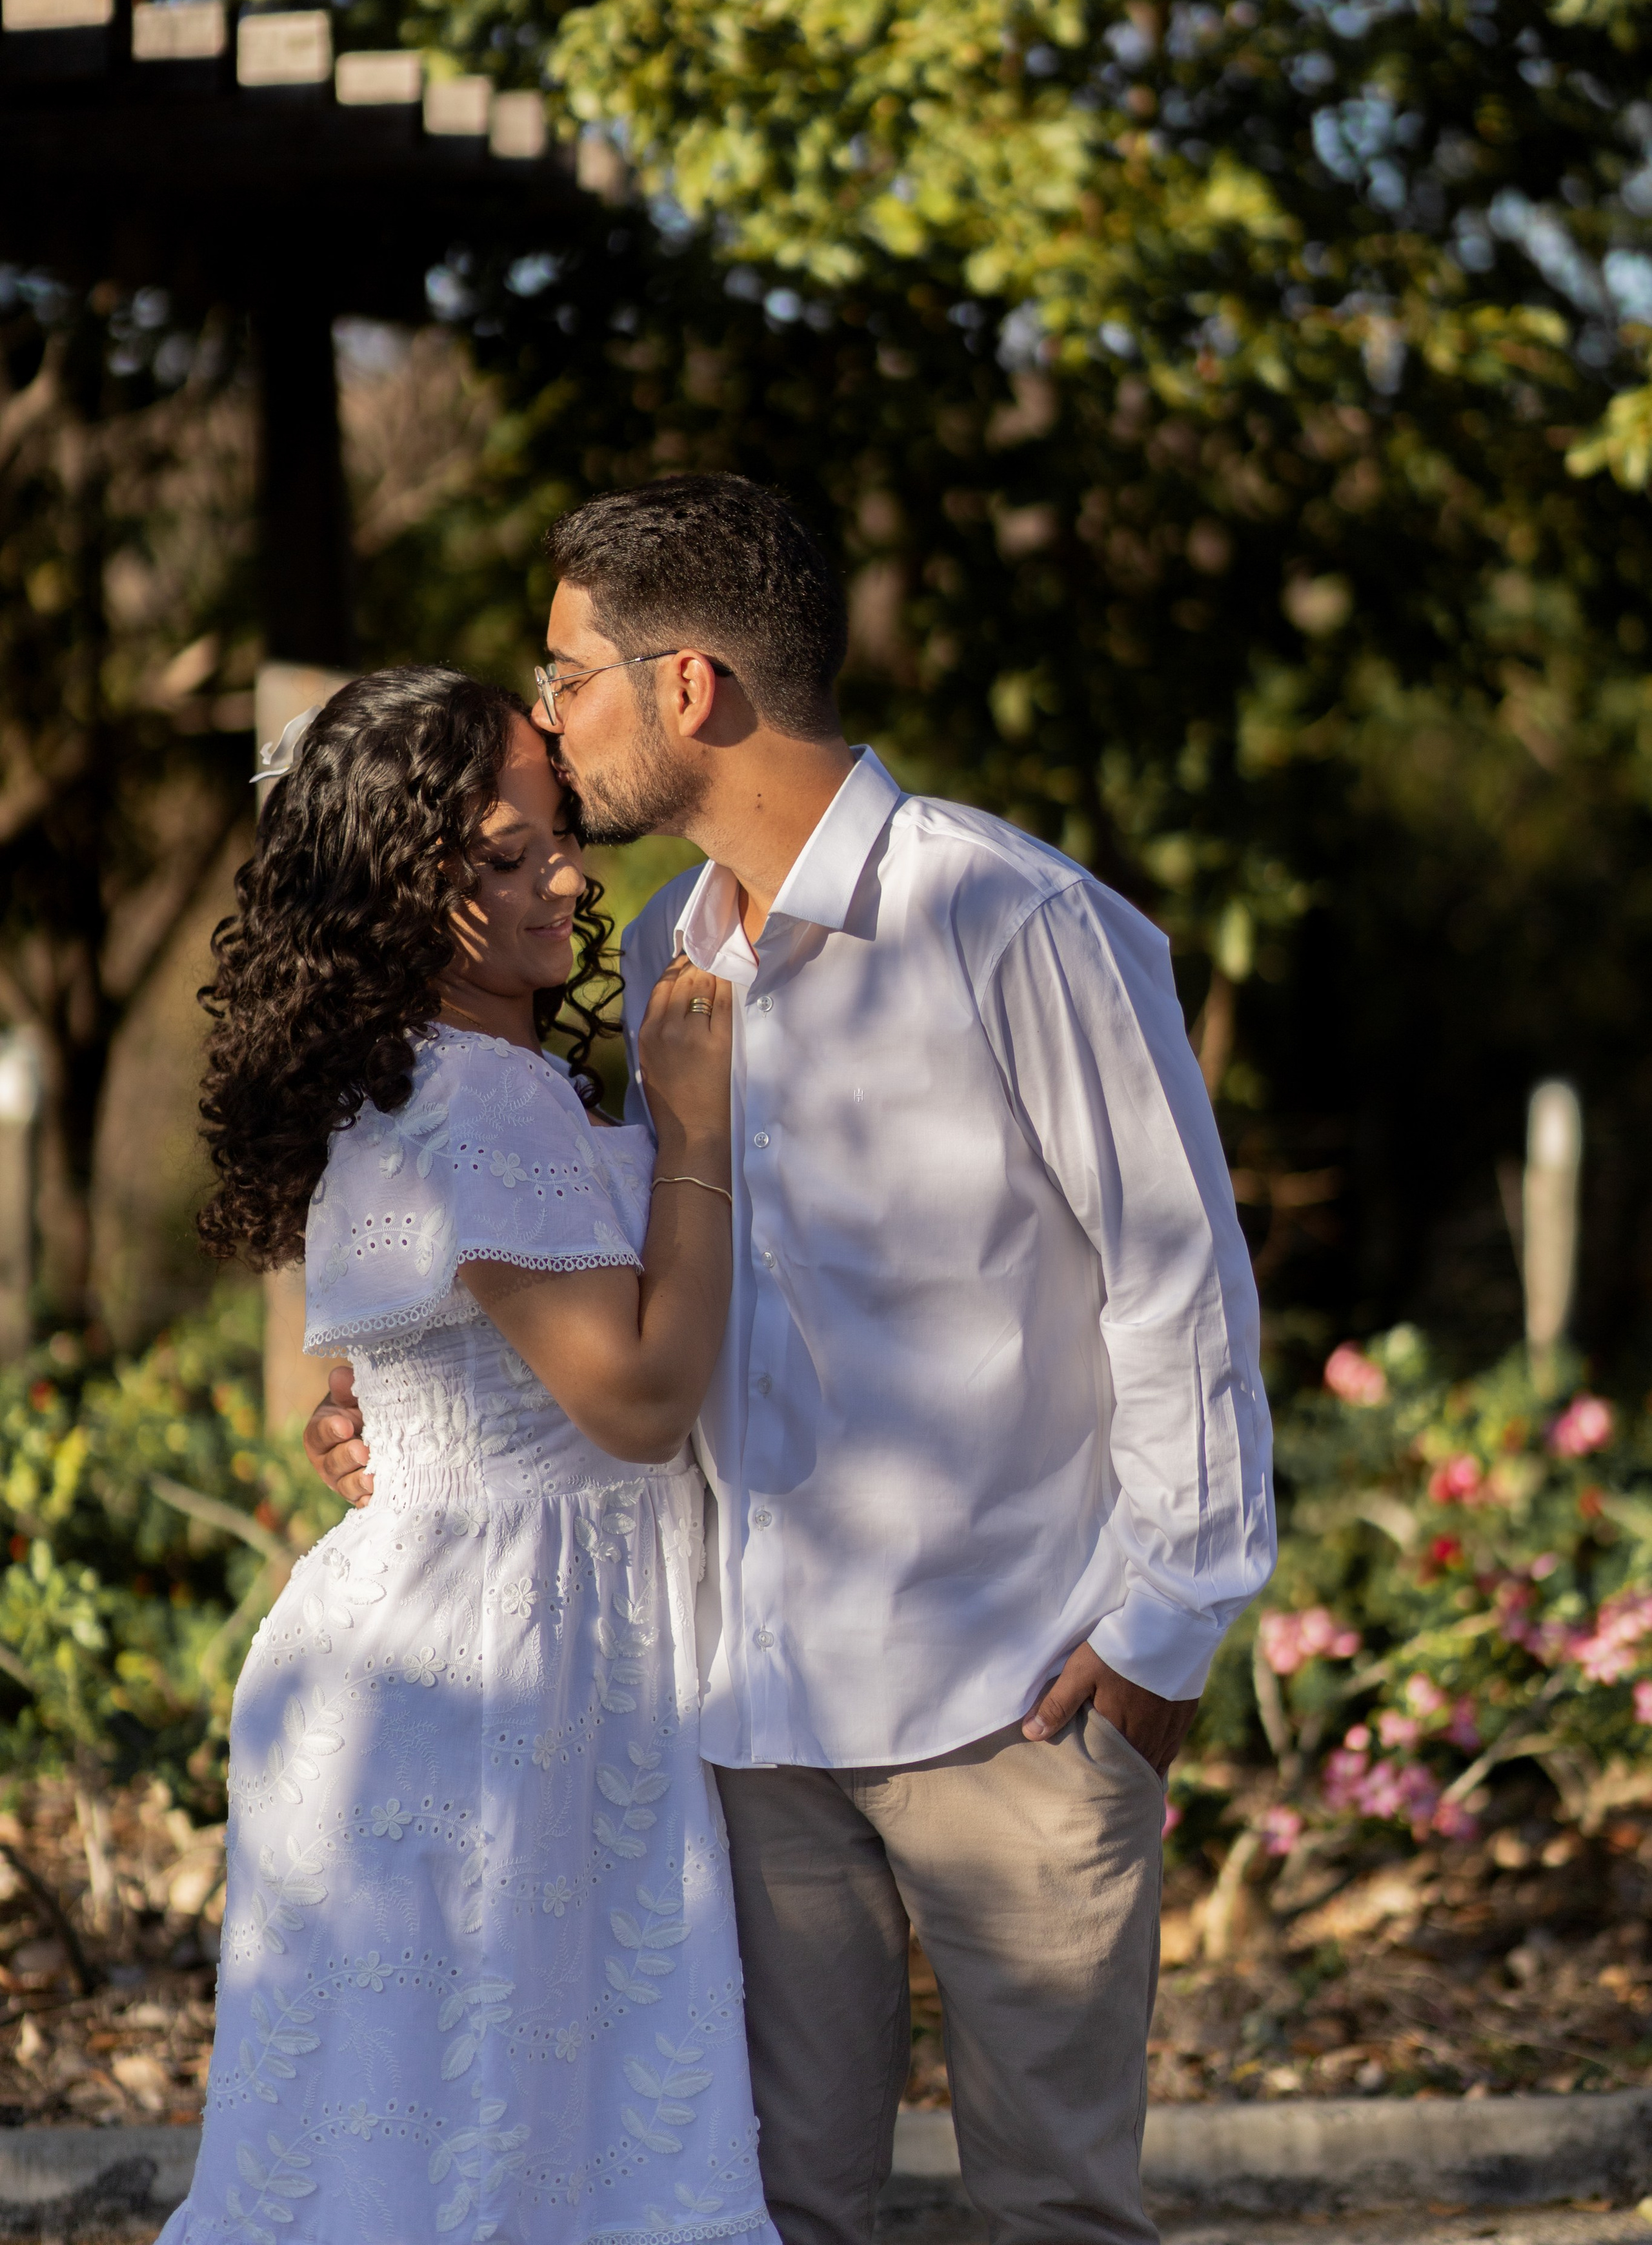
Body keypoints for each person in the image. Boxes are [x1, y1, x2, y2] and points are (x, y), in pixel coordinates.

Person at [308, 482, 1276, 2245]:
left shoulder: (1015, 921)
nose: (544, 719)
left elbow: (1176, 1278)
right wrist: (412, 1394)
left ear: (688, 687)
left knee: (1057, 2212)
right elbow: (621, 1267)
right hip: (745, 1723)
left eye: (567, 672)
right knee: (771, 2213)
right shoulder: (673, 943)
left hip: (1015, 1701)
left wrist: (1165, 1632)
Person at [168, 665, 776, 2245]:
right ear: (398, 886)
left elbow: (409, 1357)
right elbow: (638, 1399)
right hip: (493, 1690)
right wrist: (696, 1135)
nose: (565, 876)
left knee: (425, 2155)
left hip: (455, 1654)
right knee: (492, 2156)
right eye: (505, 858)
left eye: (557, 836)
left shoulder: (430, 1081)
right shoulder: (479, 1099)